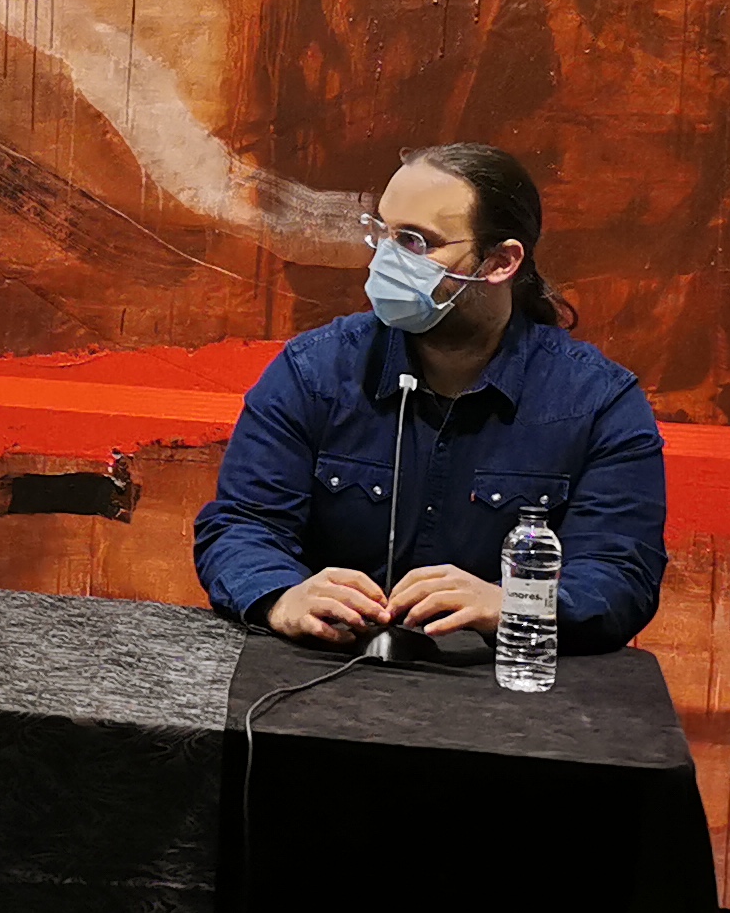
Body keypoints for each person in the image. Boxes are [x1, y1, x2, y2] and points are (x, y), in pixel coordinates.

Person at [194, 142, 667, 652]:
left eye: (416, 242)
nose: (387, 259)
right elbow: (241, 525)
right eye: (383, 232)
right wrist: (280, 596)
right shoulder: (312, 372)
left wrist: (514, 604)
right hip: (324, 670)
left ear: (501, 261)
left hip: (497, 684)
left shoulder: (599, 403)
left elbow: (621, 574)